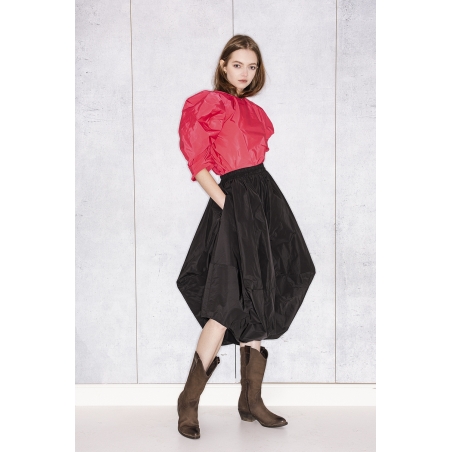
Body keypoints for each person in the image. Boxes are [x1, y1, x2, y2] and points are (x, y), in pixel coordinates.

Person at [176, 35, 316, 440]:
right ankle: (189, 402)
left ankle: (251, 400)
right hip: (234, 200)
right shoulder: (208, 103)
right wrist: (228, 205)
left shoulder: (255, 112)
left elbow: (255, 163)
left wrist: (253, 209)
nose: (245, 72)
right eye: (237, 64)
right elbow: (198, 164)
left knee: (259, 290)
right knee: (225, 301)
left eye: (252, 66)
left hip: (264, 198)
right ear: (223, 65)